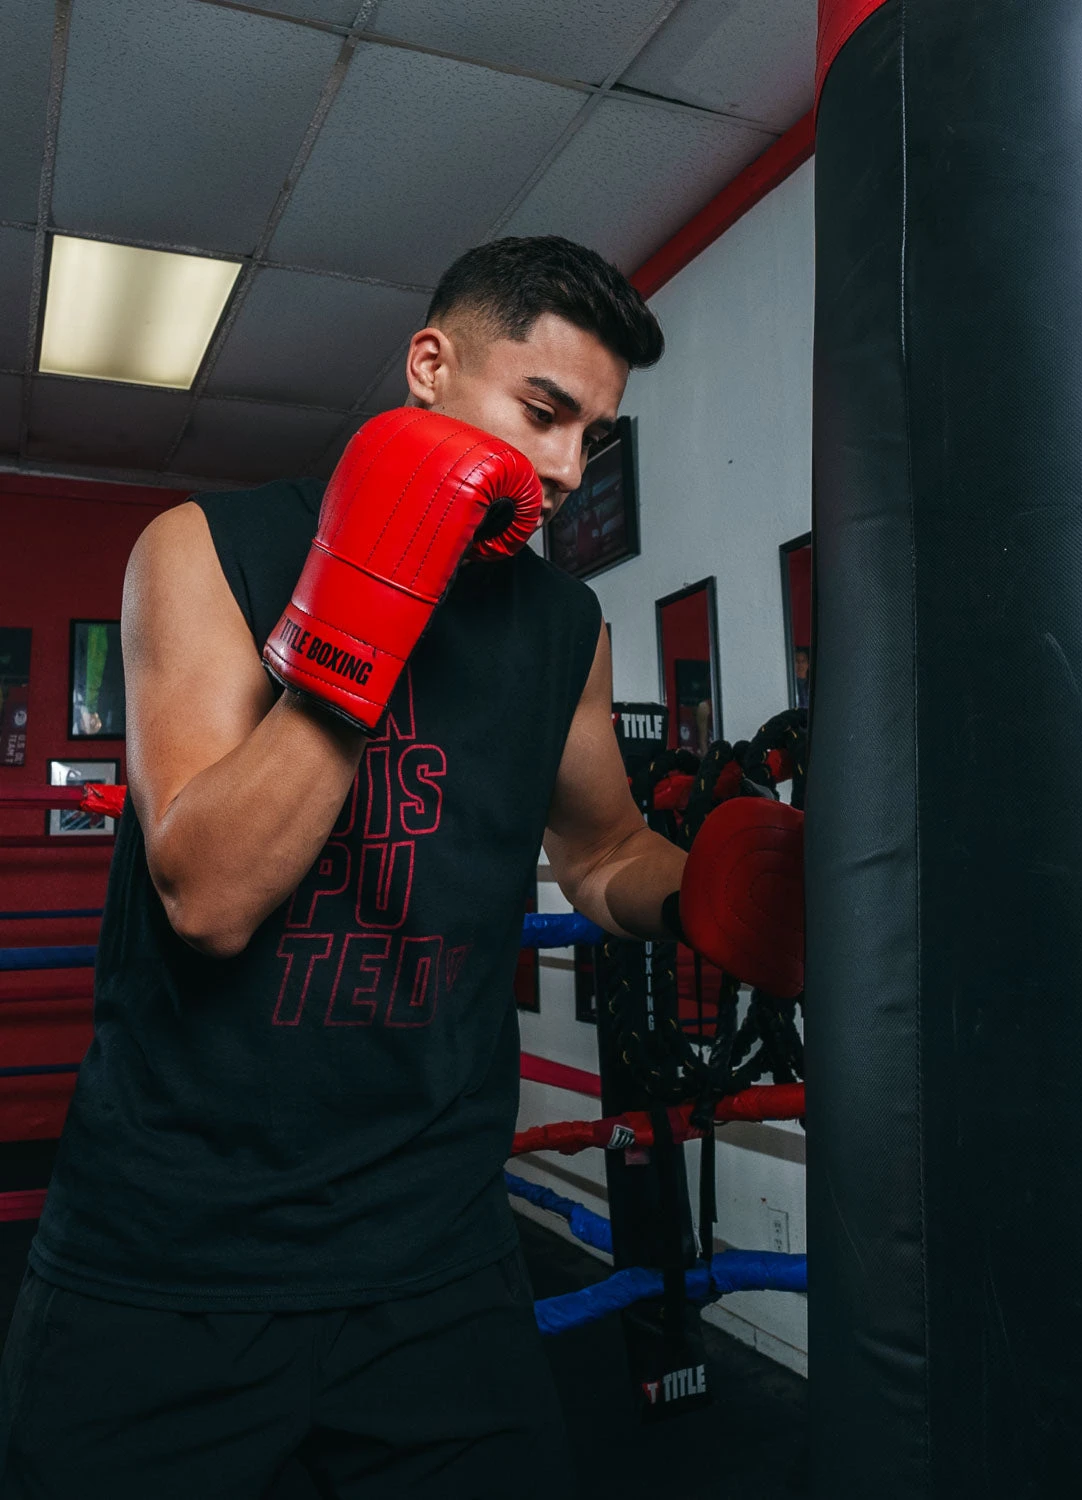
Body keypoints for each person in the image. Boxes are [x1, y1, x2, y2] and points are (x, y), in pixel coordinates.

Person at [0, 236, 803, 1499]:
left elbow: (601, 852)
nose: (562, 468)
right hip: (171, 1251)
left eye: (591, 437)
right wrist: (370, 603)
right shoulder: (206, 549)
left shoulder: (562, 625)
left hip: (434, 1253)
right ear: (430, 365)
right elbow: (208, 899)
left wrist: (706, 893)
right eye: (542, 410)